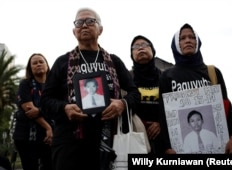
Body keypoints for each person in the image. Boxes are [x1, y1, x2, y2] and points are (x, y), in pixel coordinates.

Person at [40, 7, 140, 170]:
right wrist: (64, 108)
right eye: (79, 22)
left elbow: (135, 93)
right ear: (74, 31)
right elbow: (45, 101)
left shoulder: (114, 61)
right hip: (70, 142)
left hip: (108, 139)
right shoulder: (62, 62)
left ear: (100, 29)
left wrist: (122, 104)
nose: (84, 25)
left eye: (90, 21)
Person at [159, 23, 232, 154]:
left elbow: (226, 105)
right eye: (182, 38)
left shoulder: (213, 72)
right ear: (176, 44)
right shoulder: (166, 77)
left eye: (192, 37)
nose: (188, 40)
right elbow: (163, 115)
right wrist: (166, 147)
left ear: (197, 42)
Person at [12, 53, 53, 170]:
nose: (38, 64)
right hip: (26, 137)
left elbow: (58, 108)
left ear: (46, 65)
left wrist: (40, 110)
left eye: (41, 62)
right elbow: (30, 111)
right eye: (34, 63)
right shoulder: (25, 84)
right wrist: (48, 128)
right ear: (30, 68)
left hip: (50, 137)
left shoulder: (53, 86)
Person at [130, 35, 165, 154]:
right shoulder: (126, 79)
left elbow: (174, 106)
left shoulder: (166, 77)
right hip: (136, 138)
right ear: (132, 55)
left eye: (144, 45)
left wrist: (161, 123)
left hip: (164, 140)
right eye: (136, 46)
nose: (140, 48)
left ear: (153, 50)